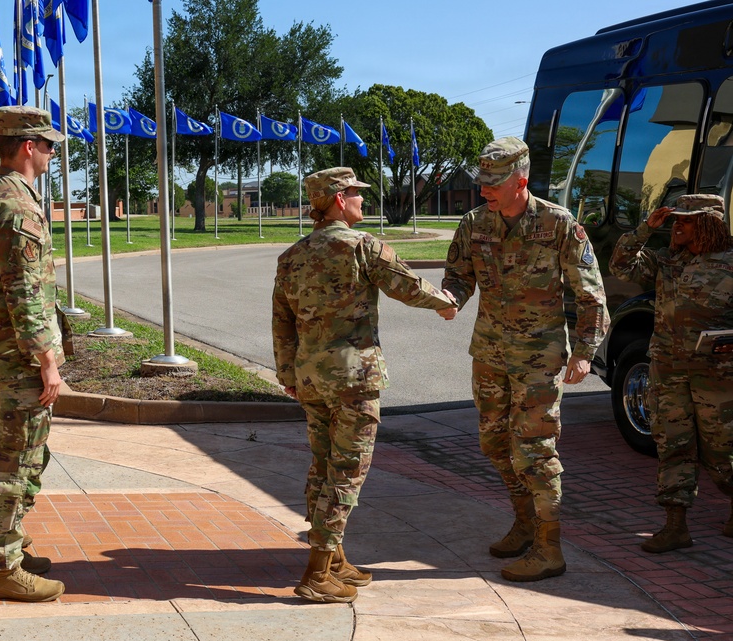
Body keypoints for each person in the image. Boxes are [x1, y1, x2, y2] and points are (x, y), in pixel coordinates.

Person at [272, 166, 457, 604]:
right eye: (356, 193)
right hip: (354, 379)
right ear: (338, 199)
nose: (361, 200)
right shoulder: (361, 246)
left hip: (311, 378)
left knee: (323, 465)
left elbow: (282, 324)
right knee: (347, 472)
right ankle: (316, 572)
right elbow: (407, 285)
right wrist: (444, 304)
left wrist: (288, 375)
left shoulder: (292, 255)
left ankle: (336, 559)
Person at [442, 137, 609, 582]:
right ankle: (524, 522)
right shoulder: (474, 223)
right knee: (494, 444)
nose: (484, 191)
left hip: (539, 356)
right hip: (490, 353)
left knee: (534, 449)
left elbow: (591, 294)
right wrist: (450, 298)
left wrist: (585, 352)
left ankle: (549, 547)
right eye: (483, 183)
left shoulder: (558, 224)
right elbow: (458, 277)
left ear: (522, 180)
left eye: (494, 184)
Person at [0, 106, 66, 602]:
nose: (51, 154)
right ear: (28, 146)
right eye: (48, 146)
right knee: (16, 459)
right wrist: (46, 359)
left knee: (17, 452)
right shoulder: (16, 203)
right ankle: (2, 566)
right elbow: (24, 291)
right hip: (17, 355)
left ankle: (3, 549)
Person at [609, 194, 733, 552]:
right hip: (668, 371)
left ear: (709, 223)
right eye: (675, 219)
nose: (677, 225)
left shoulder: (729, 263)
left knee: (721, 451)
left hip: (718, 377)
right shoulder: (665, 261)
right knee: (672, 446)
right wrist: (644, 230)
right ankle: (675, 525)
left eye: (686, 220)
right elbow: (621, 265)